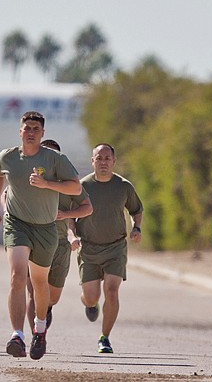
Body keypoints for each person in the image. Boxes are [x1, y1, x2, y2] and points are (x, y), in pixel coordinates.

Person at [0, 111, 82, 360]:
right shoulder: (7, 157)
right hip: (17, 224)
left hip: (45, 228)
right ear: (20, 131)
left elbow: (76, 186)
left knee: (40, 284)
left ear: (42, 133)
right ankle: (17, 335)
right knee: (17, 275)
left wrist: (47, 184)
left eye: (35, 129)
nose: (30, 132)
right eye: (27, 128)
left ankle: (39, 331)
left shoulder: (54, 159)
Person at [75, 143, 143, 354]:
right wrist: (72, 235)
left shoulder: (123, 186)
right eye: (99, 158)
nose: (103, 162)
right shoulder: (81, 186)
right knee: (92, 297)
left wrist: (136, 227)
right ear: (92, 161)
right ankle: (89, 303)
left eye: (107, 158)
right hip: (88, 248)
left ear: (114, 161)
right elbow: (69, 214)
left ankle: (104, 338)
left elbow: (136, 210)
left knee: (112, 292)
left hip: (115, 247)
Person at [25, 139, 92, 332]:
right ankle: (36, 336)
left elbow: (87, 208)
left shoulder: (69, 185)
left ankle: (47, 308)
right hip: (34, 242)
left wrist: (66, 215)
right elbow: (7, 195)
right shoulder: (30, 180)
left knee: (51, 297)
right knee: (33, 292)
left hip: (60, 244)